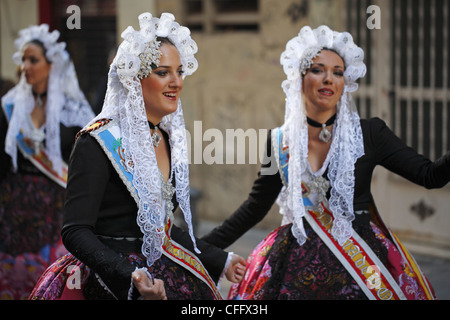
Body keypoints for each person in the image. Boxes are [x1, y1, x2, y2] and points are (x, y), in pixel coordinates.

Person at [202, 25, 450, 300]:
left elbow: (430, 176)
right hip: (293, 263)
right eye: (318, 69)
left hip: (359, 262)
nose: (329, 79)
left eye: (338, 72)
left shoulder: (369, 133)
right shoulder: (278, 142)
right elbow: (254, 208)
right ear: (300, 77)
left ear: (346, 82)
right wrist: (198, 250)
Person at [29, 12, 245, 301]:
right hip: (110, 278)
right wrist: (127, 274)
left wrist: (222, 260)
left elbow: (163, 228)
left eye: (180, 72)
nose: (176, 82)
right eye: (162, 72)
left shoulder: (167, 139)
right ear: (134, 79)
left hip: (163, 274)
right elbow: (75, 231)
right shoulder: (97, 142)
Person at [0, 24, 94, 300]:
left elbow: (83, 164)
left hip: (56, 207)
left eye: (33, 60)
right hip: (14, 207)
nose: (26, 66)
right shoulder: (10, 107)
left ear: (51, 65)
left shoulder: (72, 110)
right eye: (23, 60)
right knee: (11, 275)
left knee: (48, 276)